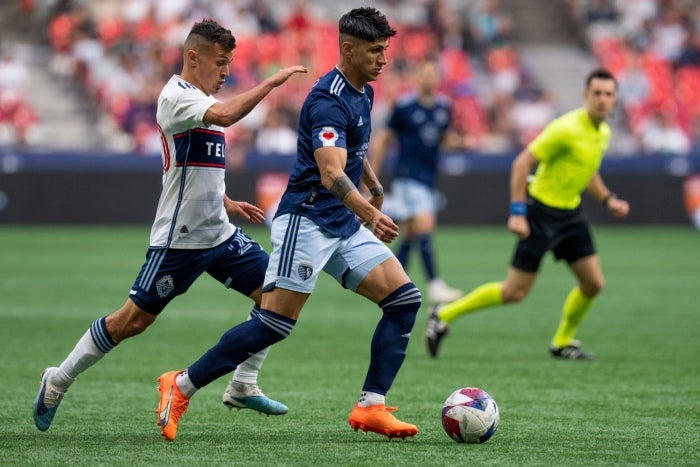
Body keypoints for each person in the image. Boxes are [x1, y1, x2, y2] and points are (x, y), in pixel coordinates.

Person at [155, 7, 421, 442]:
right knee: (274, 324)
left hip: (341, 220)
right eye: (375, 51)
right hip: (308, 219)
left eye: (385, 50)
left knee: (404, 300)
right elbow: (332, 173)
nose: (383, 60)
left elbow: (354, 151)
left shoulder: (364, 92)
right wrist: (370, 212)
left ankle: (371, 406)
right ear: (348, 49)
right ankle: (181, 384)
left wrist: (372, 183)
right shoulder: (326, 100)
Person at [32, 18, 308, 432]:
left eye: (229, 63)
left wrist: (225, 200)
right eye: (220, 62)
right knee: (131, 322)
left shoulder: (198, 99)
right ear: (193, 57)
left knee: (277, 296)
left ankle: (243, 383)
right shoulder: (176, 96)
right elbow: (229, 115)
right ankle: (58, 379)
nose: (226, 71)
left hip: (219, 233)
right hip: (179, 240)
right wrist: (271, 84)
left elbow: (193, 165)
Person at [425, 68, 630, 360]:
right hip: (540, 213)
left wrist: (608, 199)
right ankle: (444, 313)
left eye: (608, 94)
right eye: (597, 93)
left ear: (615, 99)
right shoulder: (566, 128)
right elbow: (521, 164)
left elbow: (587, 171)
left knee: (593, 283)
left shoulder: (603, 132)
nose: (602, 99)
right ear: (586, 95)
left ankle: (562, 342)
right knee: (515, 292)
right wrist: (518, 212)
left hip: (570, 215)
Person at [370, 58, 465, 304]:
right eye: (424, 73)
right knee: (425, 224)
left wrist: (455, 142)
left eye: (433, 73)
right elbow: (383, 139)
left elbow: (441, 138)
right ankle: (435, 285)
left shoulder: (444, 106)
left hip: (429, 177)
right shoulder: (404, 106)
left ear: (438, 78)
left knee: (411, 233)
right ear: (416, 77)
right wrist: (372, 178)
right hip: (408, 176)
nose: (429, 78)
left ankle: (389, 283)